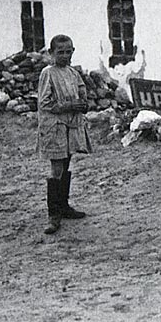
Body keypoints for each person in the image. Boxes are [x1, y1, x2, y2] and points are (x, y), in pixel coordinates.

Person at [37, 34, 92, 235]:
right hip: (54, 126)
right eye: (60, 52)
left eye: (68, 52)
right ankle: (54, 214)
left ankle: (64, 206)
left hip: (70, 126)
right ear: (51, 53)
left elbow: (83, 97)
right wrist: (69, 105)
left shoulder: (73, 73)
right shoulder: (48, 73)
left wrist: (83, 104)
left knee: (67, 161)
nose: (65, 56)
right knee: (57, 167)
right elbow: (44, 103)